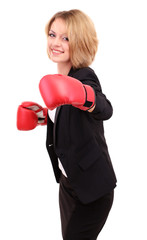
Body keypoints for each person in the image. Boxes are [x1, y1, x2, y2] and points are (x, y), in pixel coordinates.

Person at [17, 9, 117, 240]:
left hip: (92, 189)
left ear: (79, 42)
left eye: (66, 38)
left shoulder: (84, 77)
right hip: (69, 183)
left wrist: (84, 95)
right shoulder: (62, 79)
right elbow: (72, 122)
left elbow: (105, 108)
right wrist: (43, 117)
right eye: (52, 34)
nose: (56, 43)